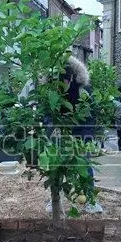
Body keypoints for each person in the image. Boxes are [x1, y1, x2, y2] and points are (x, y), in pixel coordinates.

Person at [45, 56, 103, 214]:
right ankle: (54, 200)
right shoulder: (50, 92)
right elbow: (47, 116)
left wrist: (86, 139)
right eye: (59, 81)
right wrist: (51, 132)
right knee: (55, 165)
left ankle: (90, 200)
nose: (62, 85)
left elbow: (91, 116)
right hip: (59, 133)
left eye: (65, 81)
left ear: (71, 78)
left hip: (80, 132)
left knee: (85, 164)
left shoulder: (83, 90)